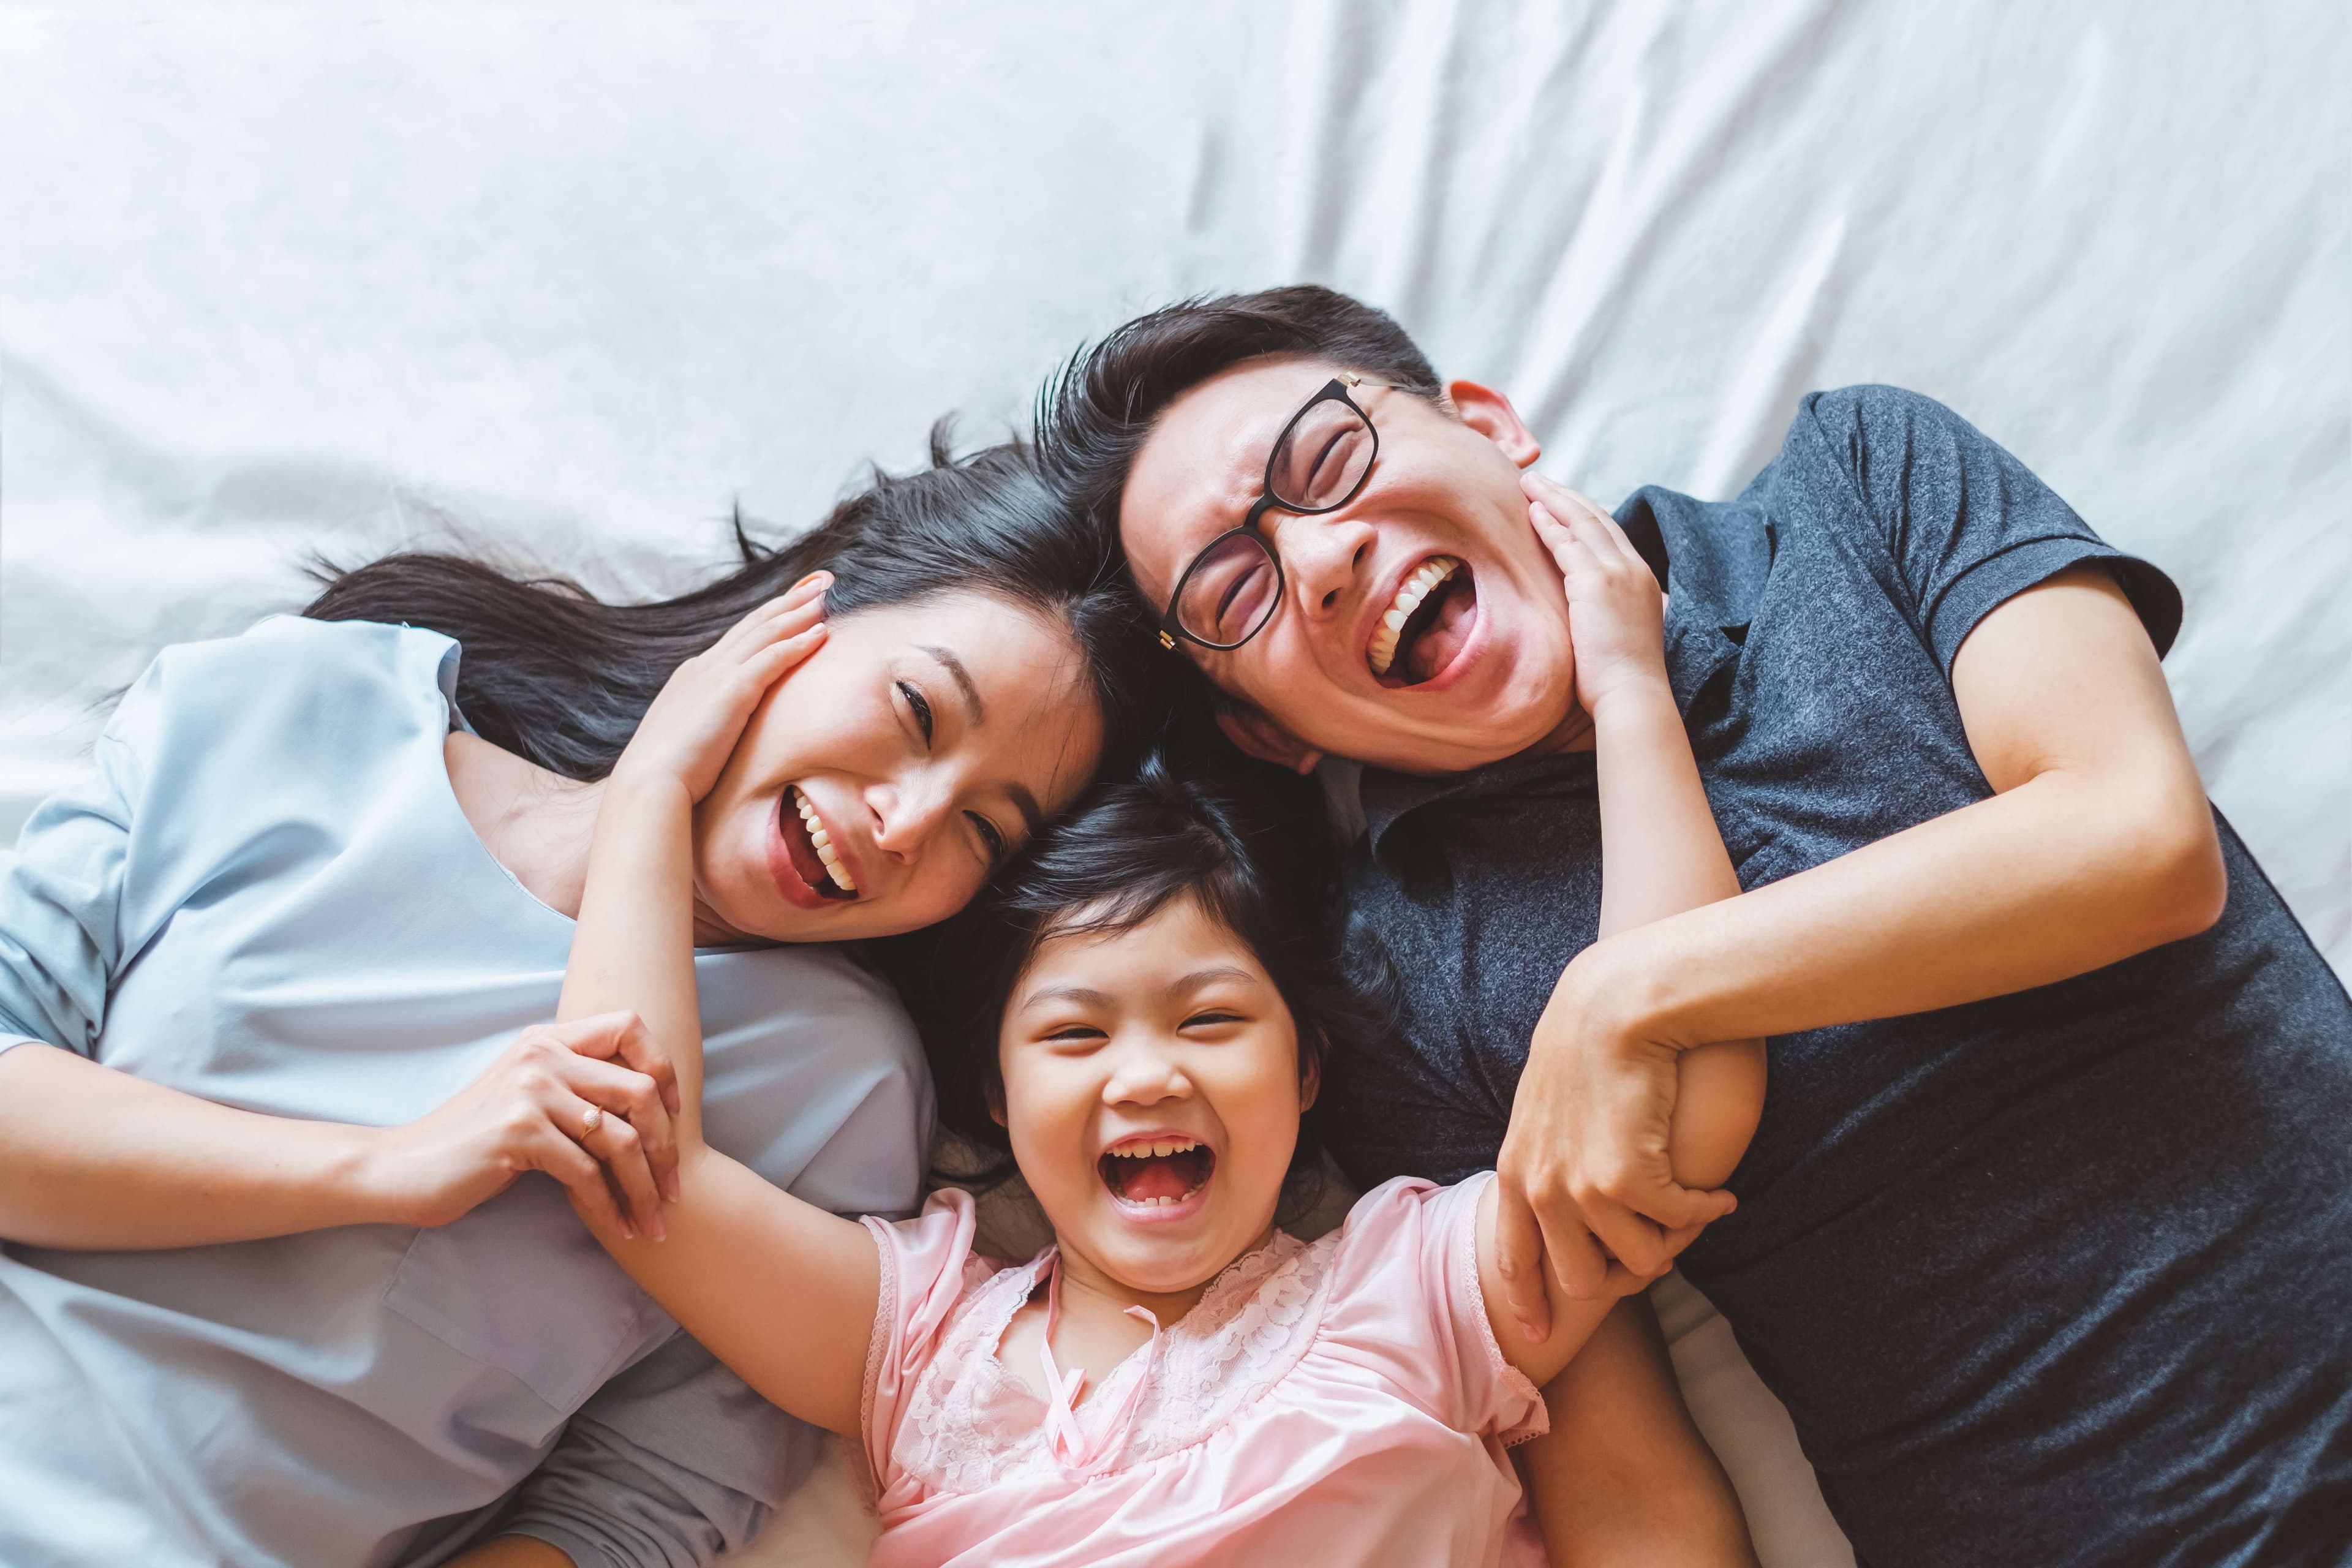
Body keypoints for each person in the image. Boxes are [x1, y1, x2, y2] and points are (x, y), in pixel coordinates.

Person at [1036, 285, 2352, 1567]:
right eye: (1231, 592)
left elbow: (2137, 839)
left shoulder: (1863, 478)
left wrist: (1625, 993)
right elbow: (1622, 1476)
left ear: (1490, 424)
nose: (1320, 560)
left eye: (1329, 457)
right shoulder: (1395, 986)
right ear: (1265, 730)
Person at [534, 483, 1762, 1565]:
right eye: (1075, 1035)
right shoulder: (917, 1345)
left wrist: (1631, 695)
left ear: (1306, 1071)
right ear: (1000, 1100)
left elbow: (1679, 1084)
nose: (1146, 1075)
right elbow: (635, 1151)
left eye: (1212, 1017)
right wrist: (654, 787)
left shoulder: (1416, 1290)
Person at [0, 439, 1166, 1568]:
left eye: (983, 829)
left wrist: (656, 797)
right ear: (804, 619)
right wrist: (384, 1166)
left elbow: (637, 1513)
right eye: (916, 711)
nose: (906, 823)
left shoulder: (838, 1085)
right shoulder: (305, 702)